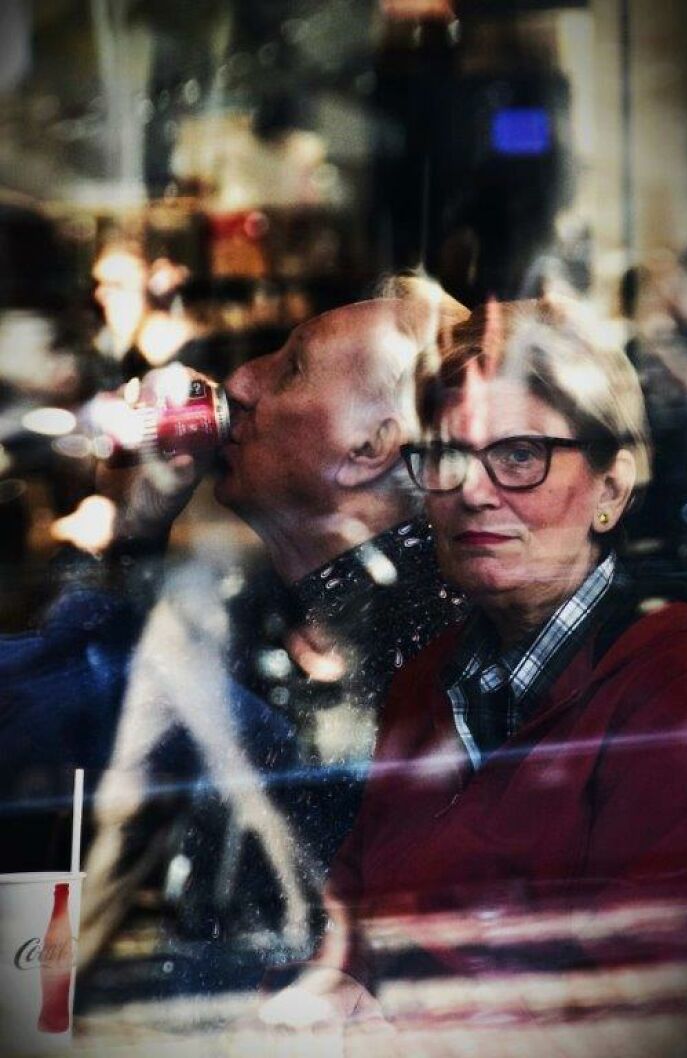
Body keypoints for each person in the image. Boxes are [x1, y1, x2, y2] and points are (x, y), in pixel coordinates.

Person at [260, 296, 687, 1030]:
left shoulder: (673, 683)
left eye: (519, 455)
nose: (470, 489)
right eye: (445, 456)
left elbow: (643, 1008)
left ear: (612, 488)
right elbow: (353, 931)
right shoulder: (425, 682)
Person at [78, 288, 471, 967]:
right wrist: (137, 529)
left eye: (291, 368)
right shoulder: (280, 608)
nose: (240, 381)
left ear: (373, 445)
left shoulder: (406, 658)